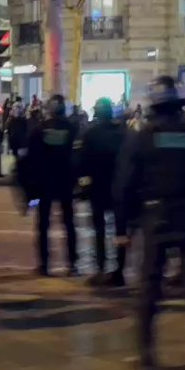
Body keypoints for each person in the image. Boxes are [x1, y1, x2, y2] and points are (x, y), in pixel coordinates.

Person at [115, 77, 185, 370]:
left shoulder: (142, 138)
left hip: (154, 219)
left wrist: (125, 227)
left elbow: (124, 185)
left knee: (149, 290)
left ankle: (147, 358)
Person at [25, 94, 80, 276]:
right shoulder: (72, 129)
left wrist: (31, 187)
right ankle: (72, 262)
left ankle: (44, 264)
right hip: (65, 182)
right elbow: (77, 157)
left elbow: (31, 160)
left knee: (43, 225)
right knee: (69, 224)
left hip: (45, 183)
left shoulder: (40, 129)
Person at [78, 97, 127, 287]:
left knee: (99, 230)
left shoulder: (90, 134)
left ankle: (100, 269)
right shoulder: (123, 134)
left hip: (98, 188)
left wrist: (83, 185)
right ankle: (119, 272)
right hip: (119, 188)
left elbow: (82, 163)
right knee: (121, 232)